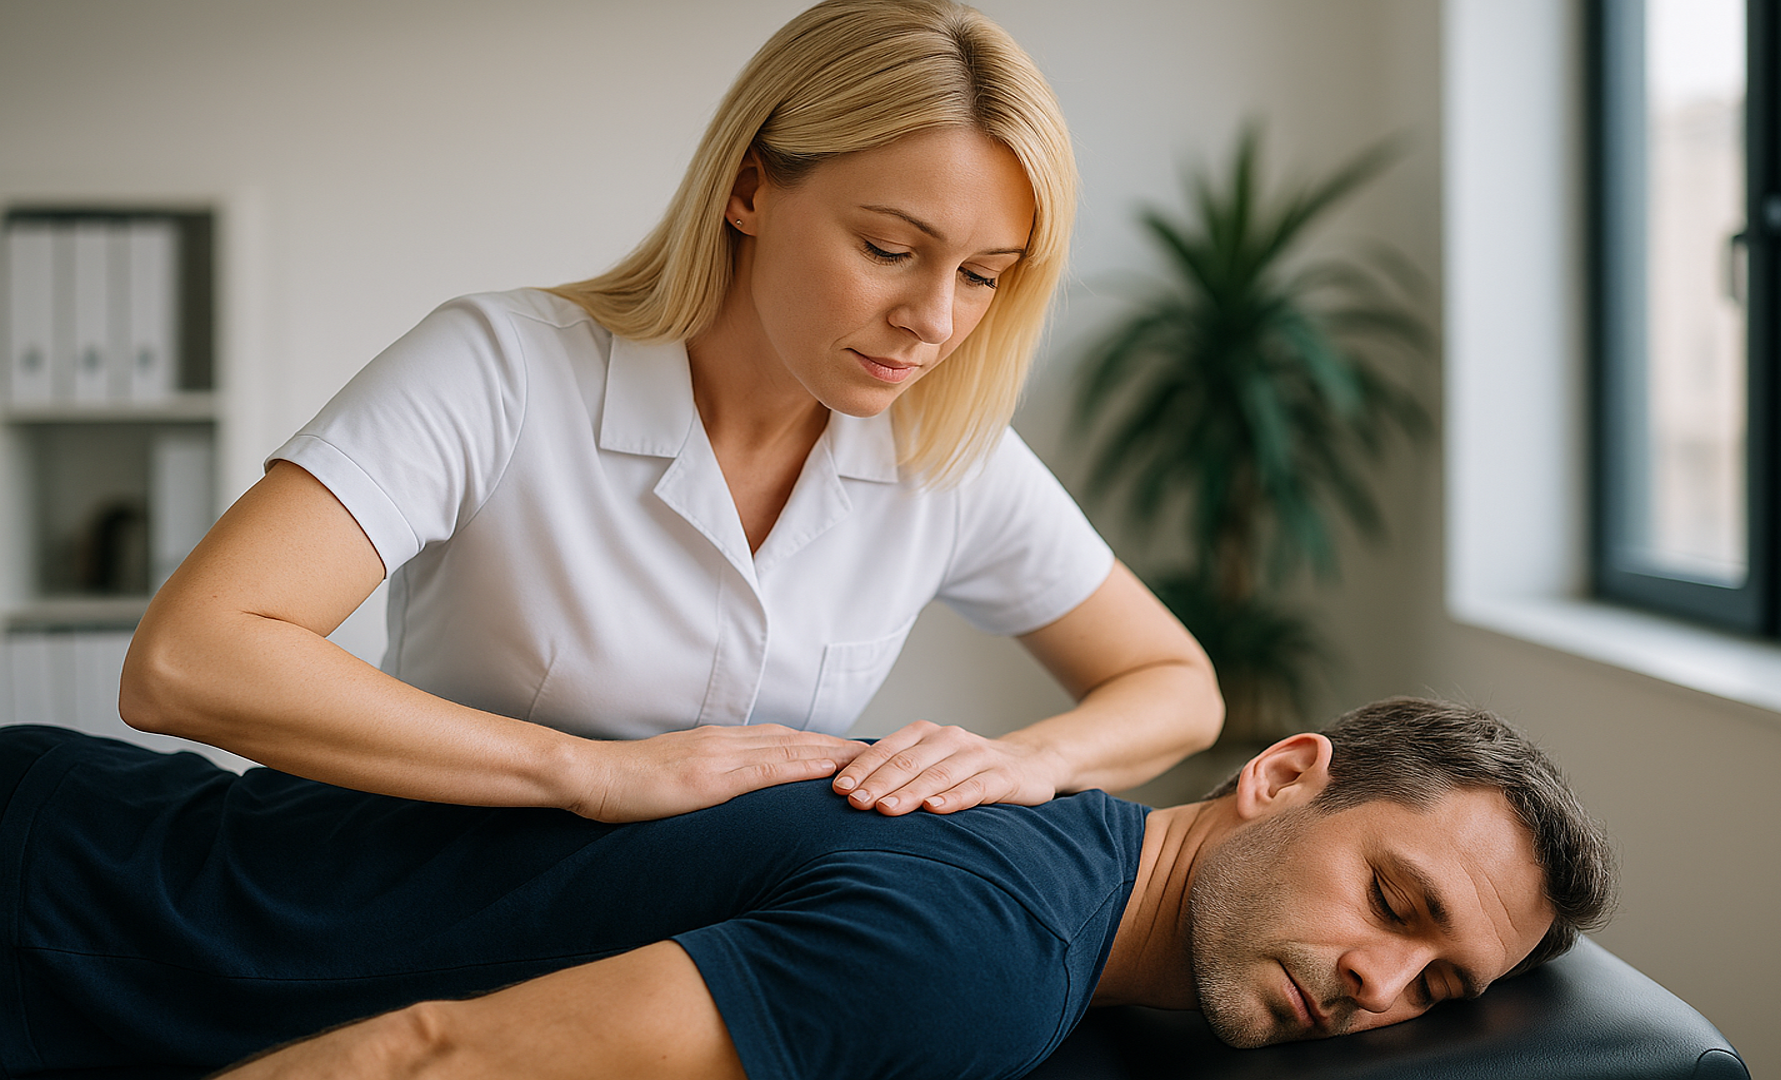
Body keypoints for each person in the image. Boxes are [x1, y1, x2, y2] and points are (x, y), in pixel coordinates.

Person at [116, 0, 1223, 823]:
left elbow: (1177, 688)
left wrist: (1025, 762)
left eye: (983, 275)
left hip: (694, 942)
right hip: (433, 898)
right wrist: (585, 773)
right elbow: (189, 659)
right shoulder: (502, 369)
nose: (933, 320)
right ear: (748, 189)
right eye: (890, 248)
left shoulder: (942, 453)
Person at [0, 697, 1615, 1080]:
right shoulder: (987, 950)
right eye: (1394, 902)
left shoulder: (1043, 836)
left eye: (1439, 988)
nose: (1377, 987)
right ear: (1279, 776)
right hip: (55, 925)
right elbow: (435, 1057)